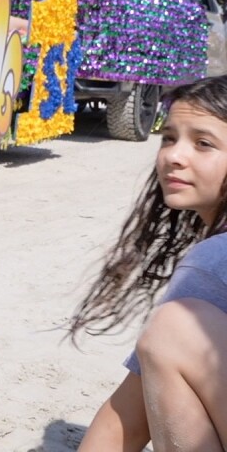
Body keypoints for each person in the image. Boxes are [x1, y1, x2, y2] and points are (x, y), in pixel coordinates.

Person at [70, 76, 227, 451]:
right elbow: (133, 407)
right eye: (169, 138)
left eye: (203, 143)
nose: (174, 155)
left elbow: (127, 421)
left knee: (174, 330)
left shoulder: (214, 260)